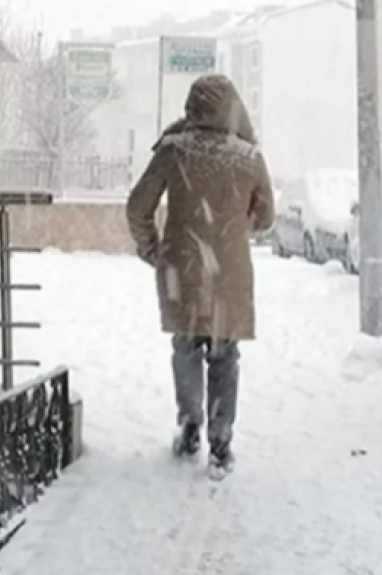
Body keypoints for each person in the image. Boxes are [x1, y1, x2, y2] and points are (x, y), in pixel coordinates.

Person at [126, 74, 275, 479]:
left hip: (183, 271)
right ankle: (221, 443)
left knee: (186, 347)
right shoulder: (248, 157)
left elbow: (137, 207)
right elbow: (265, 219)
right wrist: (232, 224)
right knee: (224, 356)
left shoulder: (173, 150)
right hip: (228, 274)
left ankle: (190, 425)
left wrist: (153, 250)